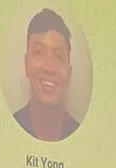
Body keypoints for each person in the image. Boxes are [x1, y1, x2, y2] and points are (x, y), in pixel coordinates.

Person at [12, 9, 81, 141]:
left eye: (58, 56)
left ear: (69, 73)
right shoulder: (6, 127)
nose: (49, 67)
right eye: (38, 52)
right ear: (26, 64)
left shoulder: (83, 137)